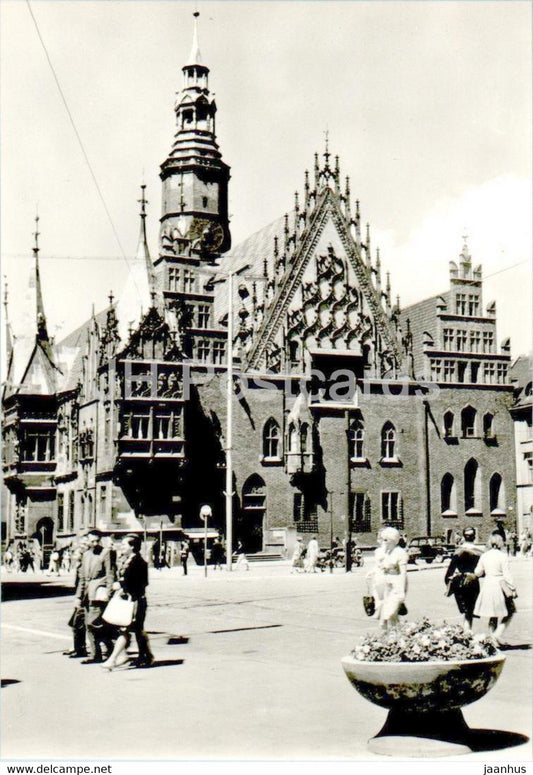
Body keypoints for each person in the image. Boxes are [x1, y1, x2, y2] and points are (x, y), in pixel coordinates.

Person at [102, 534, 154, 670]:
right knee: (138, 630)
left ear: (132, 547)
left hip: (136, 602)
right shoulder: (128, 560)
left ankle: (112, 659)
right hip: (131, 600)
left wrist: (122, 586)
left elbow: (142, 583)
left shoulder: (139, 562)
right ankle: (147, 656)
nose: (121, 547)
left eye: (124, 544)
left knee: (124, 630)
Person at [74, 529, 115, 664]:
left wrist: (108, 593)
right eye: (92, 541)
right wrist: (78, 596)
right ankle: (98, 653)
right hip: (87, 594)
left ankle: (110, 647)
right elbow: (82, 578)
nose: (95, 543)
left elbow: (110, 574)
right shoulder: (86, 555)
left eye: (97, 541)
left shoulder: (105, 553)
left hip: (99, 593)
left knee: (92, 623)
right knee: (88, 624)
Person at [474, 533, 517, 645]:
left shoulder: (485, 555)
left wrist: (485, 572)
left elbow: (477, 572)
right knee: (510, 611)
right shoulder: (503, 556)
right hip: (500, 585)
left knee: (492, 614)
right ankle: (496, 635)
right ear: (500, 543)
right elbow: (507, 574)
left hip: (488, 584)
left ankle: (494, 639)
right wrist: (512, 588)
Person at [444, 527, 481, 631]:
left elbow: (449, 573)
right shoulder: (478, 552)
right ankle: (467, 632)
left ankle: (465, 632)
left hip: (460, 581)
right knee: (470, 611)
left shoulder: (458, 551)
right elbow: (482, 572)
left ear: (464, 537)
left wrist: (449, 584)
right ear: (474, 537)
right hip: (473, 582)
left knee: (465, 610)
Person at [374, 527, 408, 629]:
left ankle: (395, 633)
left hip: (397, 583)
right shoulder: (386, 552)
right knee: (388, 615)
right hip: (386, 583)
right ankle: (391, 635)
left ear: (392, 540)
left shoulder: (400, 553)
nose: (384, 542)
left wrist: (401, 591)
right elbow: (380, 567)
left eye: (386, 539)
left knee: (390, 612)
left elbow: (403, 573)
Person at [64, 538, 89, 659]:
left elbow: (83, 583)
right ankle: (78, 647)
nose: (80, 547)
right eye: (80, 544)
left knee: (77, 623)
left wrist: (79, 597)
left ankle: (79, 649)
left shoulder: (87, 562)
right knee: (76, 623)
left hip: (86, 598)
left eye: (84, 544)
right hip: (82, 597)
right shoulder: (81, 564)